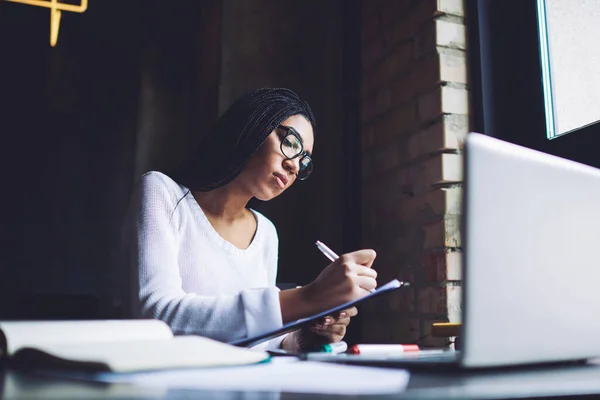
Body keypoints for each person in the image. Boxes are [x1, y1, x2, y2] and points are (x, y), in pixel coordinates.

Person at [124, 88, 378, 352]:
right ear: (253, 124)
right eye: (291, 144)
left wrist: (304, 337)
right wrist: (307, 298)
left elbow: (257, 338)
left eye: (304, 161)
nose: (293, 166)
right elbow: (157, 316)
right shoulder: (161, 192)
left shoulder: (266, 233)